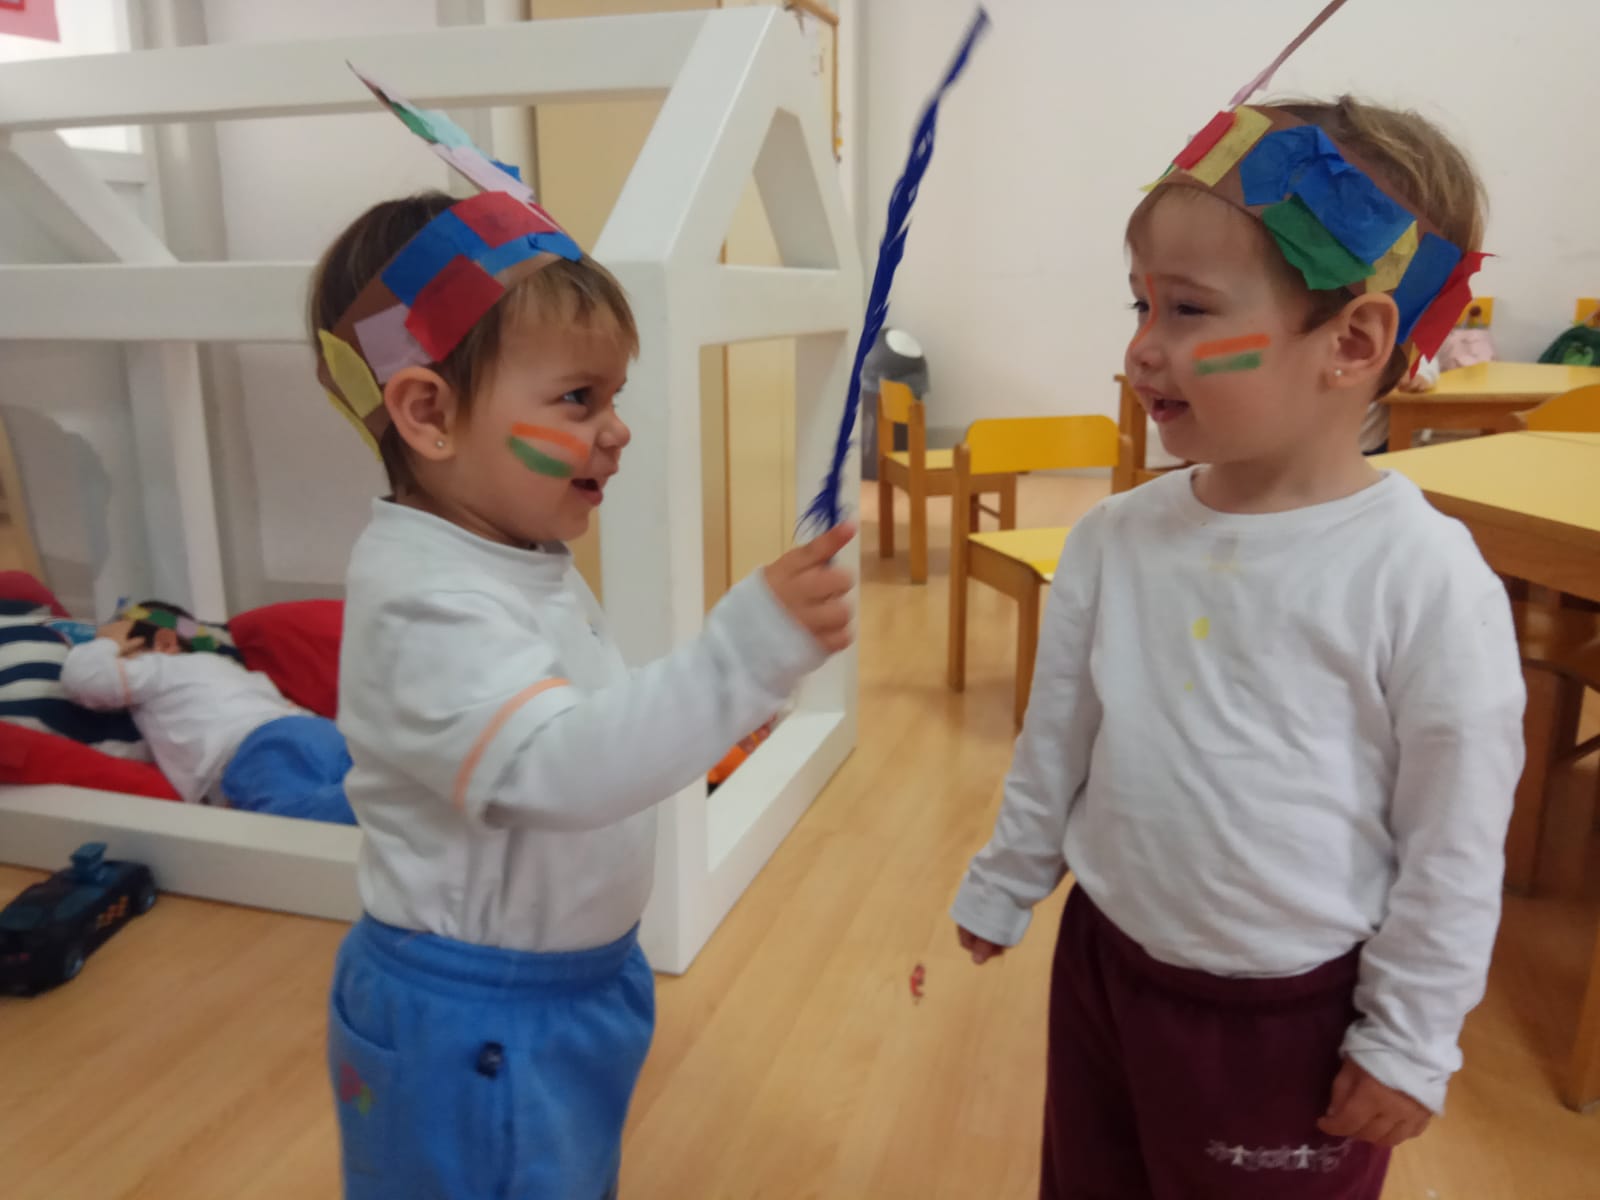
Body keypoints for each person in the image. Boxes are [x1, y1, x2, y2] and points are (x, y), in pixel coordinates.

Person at [952, 96, 1525, 1200]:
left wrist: (1410, 1038)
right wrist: (1009, 876)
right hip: (1107, 962)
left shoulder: (1425, 576)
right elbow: (1058, 733)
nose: (1141, 347)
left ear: (1351, 343)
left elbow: (1453, 840)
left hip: (1291, 1019)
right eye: (1141, 302)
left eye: (1188, 309)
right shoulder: (1115, 538)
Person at [313, 153, 854, 1197]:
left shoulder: (510, 552)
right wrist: (738, 658)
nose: (617, 427)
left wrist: (727, 694)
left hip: (559, 994)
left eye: (612, 394)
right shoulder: (425, 600)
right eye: (576, 397)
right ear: (428, 414)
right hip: (476, 1022)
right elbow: (555, 768)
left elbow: (586, 715)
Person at [59, 599, 355, 823]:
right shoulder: (235, 671)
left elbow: (86, 680)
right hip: (319, 731)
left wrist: (105, 642)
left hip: (255, 748)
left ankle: (376, 804)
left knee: (291, 823)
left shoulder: (157, 667)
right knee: (354, 787)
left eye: (122, 652)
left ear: (165, 642)